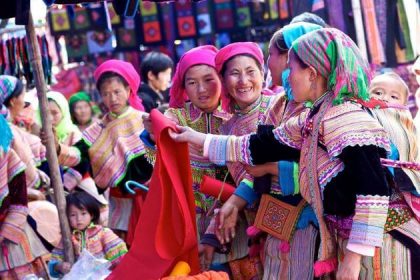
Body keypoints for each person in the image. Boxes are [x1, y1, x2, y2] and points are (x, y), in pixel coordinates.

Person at [170, 28, 420, 279]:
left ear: (312, 74)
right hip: (359, 240)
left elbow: (373, 191)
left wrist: (353, 259)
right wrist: (194, 137)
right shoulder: (314, 117)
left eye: (293, 69)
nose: (287, 78)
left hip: (385, 244)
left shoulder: (348, 118)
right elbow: (257, 145)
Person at [141, 45, 233, 273]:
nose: (201, 89)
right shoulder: (175, 118)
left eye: (208, 79)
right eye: (191, 82)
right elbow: (158, 165)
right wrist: (154, 138)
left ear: (221, 78)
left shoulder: (237, 114)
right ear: (182, 86)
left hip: (234, 215)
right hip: (189, 220)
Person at [51, 59, 153, 243]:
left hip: (150, 196)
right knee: (124, 246)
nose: (112, 99)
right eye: (106, 94)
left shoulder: (145, 121)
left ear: (129, 90)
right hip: (120, 201)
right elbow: (78, 155)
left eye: (116, 92)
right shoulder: (97, 130)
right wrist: (56, 147)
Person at [0, 76, 49, 279]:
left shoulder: (8, 130)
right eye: (23, 96)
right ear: (12, 100)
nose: (25, 101)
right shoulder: (7, 132)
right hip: (13, 218)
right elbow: (28, 172)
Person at [49, 191, 127, 277]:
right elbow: (54, 263)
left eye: (83, 213)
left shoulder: (103, 233)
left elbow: (121, 259)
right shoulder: (67, 238)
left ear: (92, 215)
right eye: (73, 215)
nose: (79, 219)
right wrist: (59, 266)